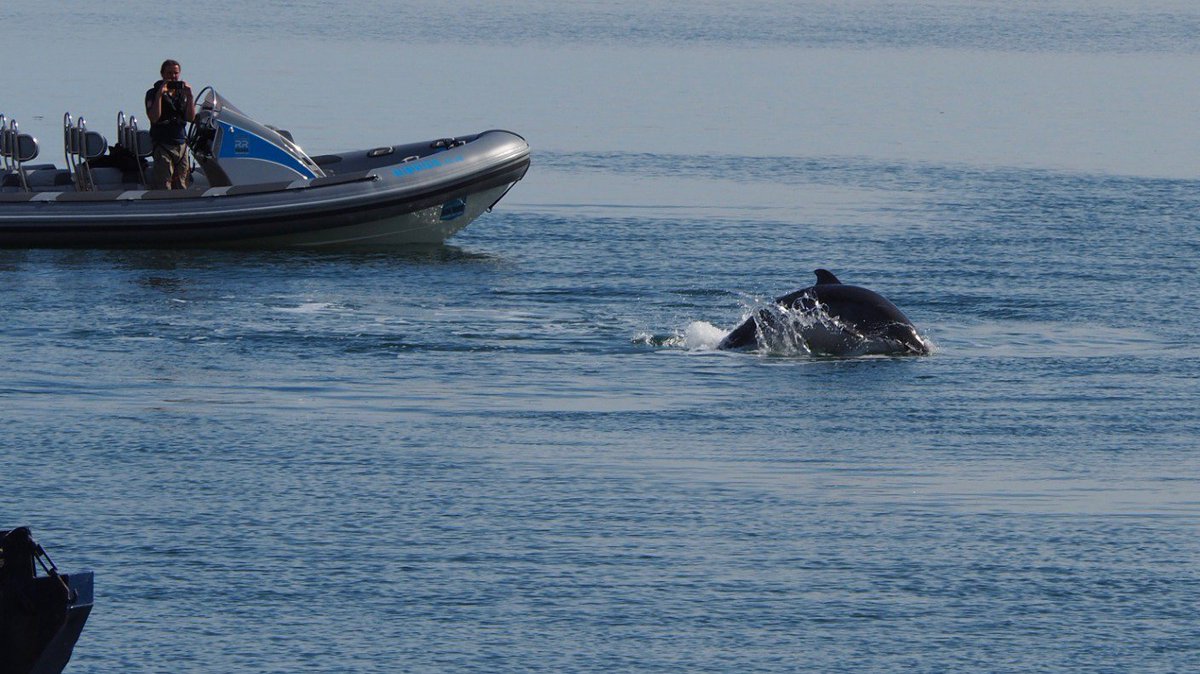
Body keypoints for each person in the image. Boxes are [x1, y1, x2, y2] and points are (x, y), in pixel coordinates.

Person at [144, 59, 195, 189]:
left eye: (175, 73)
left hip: (180, 143)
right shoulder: (152, 93)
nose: (173, 76)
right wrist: (160, 95)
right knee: (164, 182)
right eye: (169, 73)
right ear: (162, 74)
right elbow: (154, 118)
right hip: (163, 143)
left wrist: (190, 97)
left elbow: (190, 118)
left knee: (182, 181)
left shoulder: (181, 93)